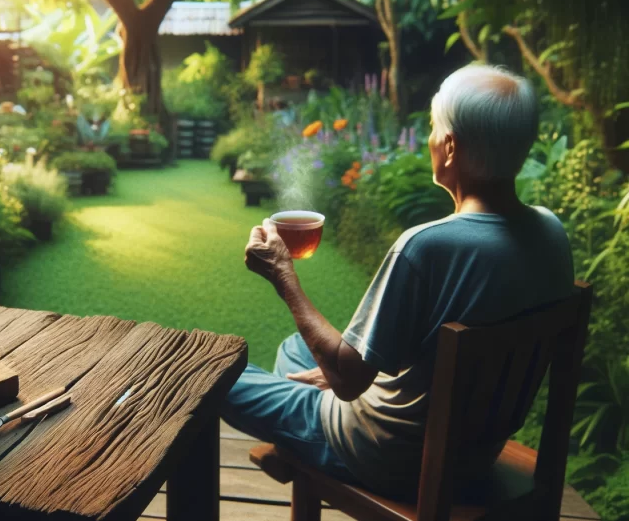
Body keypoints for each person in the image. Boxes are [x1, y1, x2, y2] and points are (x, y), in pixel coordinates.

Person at [223, 64, 575, 499]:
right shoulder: (551, 232)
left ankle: (305, 438)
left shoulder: (426, 248)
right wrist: (338, 370)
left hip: (389, 458)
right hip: (474, 453)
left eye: (432, 128)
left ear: (449, 146)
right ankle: (309, 420)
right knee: (295, 351)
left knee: (211, 375)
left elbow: (350, 384)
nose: (429, 139)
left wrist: (283, 276)